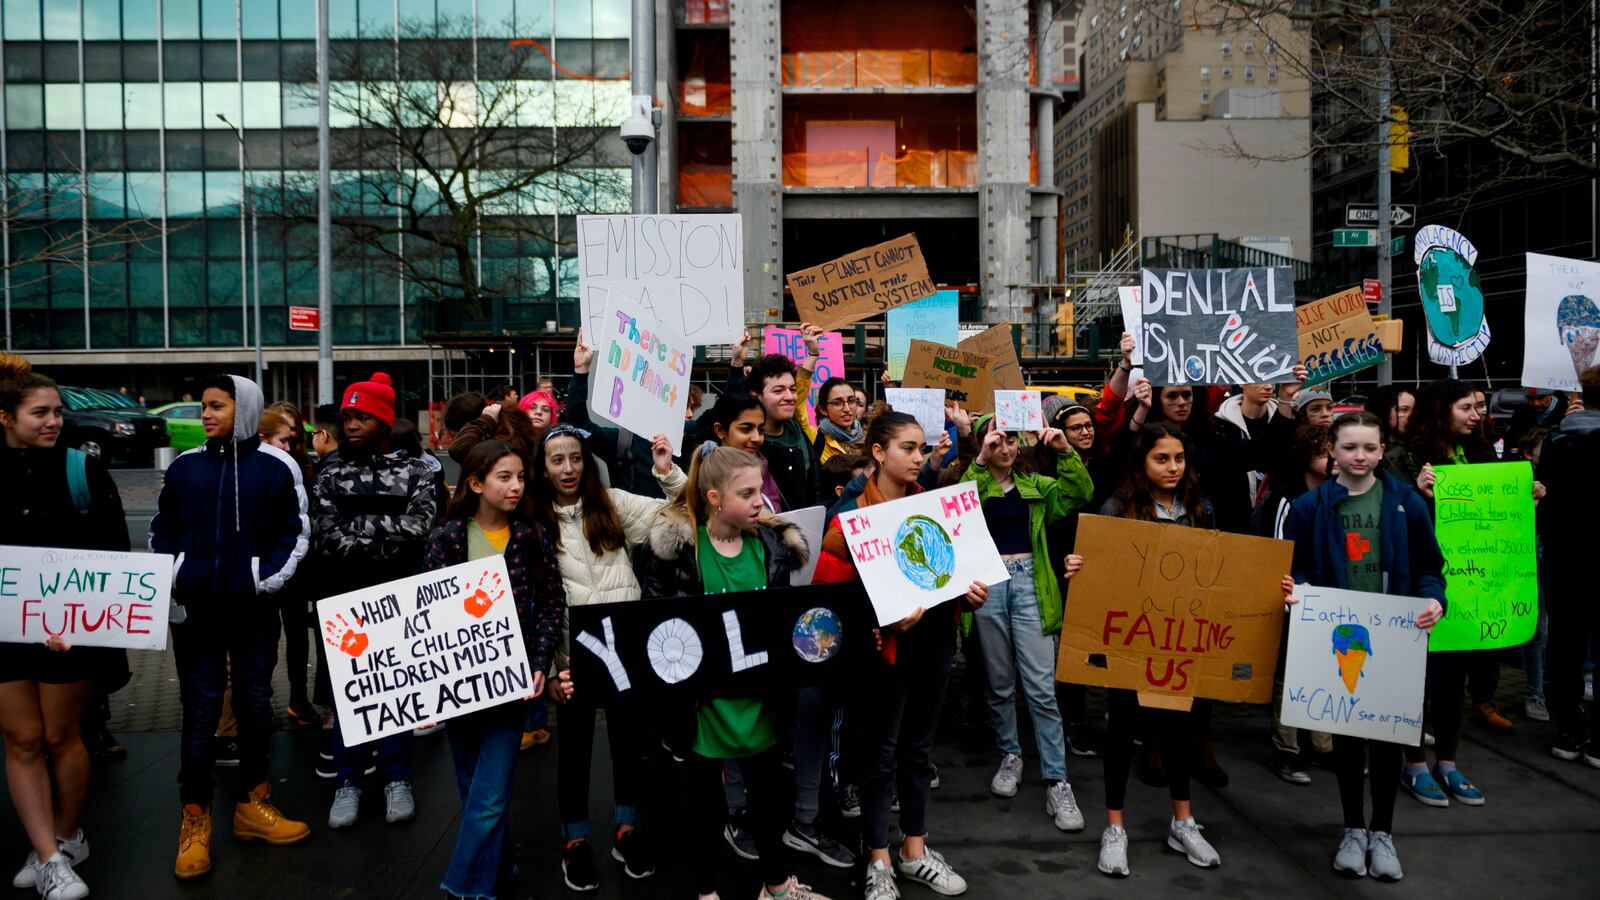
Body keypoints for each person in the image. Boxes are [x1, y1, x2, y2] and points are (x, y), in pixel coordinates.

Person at [1065, 422, 1293, 878]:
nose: (1172, 468)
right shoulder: (1117, 507)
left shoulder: (1201, 508)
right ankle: (1115, 827)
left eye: (1178, 459)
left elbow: (1223, 571)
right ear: (1141, 461)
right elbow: (1100, 567)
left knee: (1178, 729)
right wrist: (1077, 566)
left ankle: (1183, 821)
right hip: (1130, 641)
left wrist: (1274, 584)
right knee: (1122, 726)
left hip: (1180, 645)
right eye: (1161, 459)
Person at [622, 444, 825, 900]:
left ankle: (776, 887)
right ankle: (706, 892)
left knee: (769, 803)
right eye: (747, 493)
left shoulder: (772, 545)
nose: (760, 502)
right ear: (715, 498)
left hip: (761, 703)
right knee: (700, 808)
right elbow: (655, 626)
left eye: (760, 491)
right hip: (702, 708)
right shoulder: (679, 552)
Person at [813, 410, 988, 900]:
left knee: (917, 749)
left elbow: (950, 571)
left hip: (933, 644)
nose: (920, 457)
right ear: (878, 453)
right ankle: (878, 858)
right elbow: (829, 596)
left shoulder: (934, 507)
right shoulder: (850, 517)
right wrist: (879, 622)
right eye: (907, 448)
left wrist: (970, 593)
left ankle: (914, 849)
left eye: (921, 448)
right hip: (885, 651)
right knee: (881, 752)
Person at [149, 373, 311, 879]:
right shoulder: (184, 468)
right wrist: (176, 573)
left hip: (252, 609)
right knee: (200, 713)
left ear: (242, 407)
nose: (206, 415)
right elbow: (162, 529)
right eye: (203, 407)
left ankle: (251, 805)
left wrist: (264, 580)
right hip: (197, 611)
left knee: (254, 705)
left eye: (216, 405)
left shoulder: (276, 467)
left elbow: (296, 531)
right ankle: (194, 820)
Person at [1283, 411, 1447, 881]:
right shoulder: (1310, 507)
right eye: (1350, 447)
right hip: (1340, 640)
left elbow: (1430, 569)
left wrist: (1434, 601)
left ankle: (1384, 833)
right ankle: (1353, 829)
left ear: (1381, 450)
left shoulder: (1406, 503)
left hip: (1395, 639)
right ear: (1331, 450)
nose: (1360, 457)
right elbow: (1297, 568)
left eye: (1370, 448)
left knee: (1389, 738)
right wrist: (1298, 590)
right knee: (1349, 740)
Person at [528, 424, 682, 891]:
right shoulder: (532, 517)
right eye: (557, 460)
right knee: (572, 752)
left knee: (626, 747)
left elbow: (681, 515)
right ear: (544, 466)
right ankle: (575, 842)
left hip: (625, 648)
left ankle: (627, 831)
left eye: (576, 458)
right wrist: (552, 671)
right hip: (570, 658)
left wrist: (667, 472)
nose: (568, 468)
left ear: (587, 462)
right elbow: (530, 600)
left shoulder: (611, 503)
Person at [1, 354, 131, 900]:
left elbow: (115, 555)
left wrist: (81, 618)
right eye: (40, 412)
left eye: (58, 411)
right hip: (5, 631)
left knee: (60, 737)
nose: (54, 421)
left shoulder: (83, 469)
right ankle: (50, 856)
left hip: (70, 632)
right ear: (5, 417)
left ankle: (64, 835)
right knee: (22, 739)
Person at [423, 440, 565, 900]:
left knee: (488, 799)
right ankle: (499, 870)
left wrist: (540, 662)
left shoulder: (532, 534)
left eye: (521, 476)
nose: (517, 486)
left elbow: (549, 603)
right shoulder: (447, 537)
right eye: (505, 477)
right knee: (474, 795)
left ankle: (465, 890)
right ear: (476, 483)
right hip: (459, 687)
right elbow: (425, 617)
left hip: (511, 684)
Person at [311, 372, 439, 832]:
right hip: (344, 597)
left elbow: (420, 528)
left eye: (362, 415)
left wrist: (358, 528)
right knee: (351, 694)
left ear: (384, 420)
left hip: (399, 598)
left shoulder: (418, 471)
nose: (352, 424)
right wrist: (386, 529)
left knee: (395, 691)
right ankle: (348, 781)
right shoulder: (327, 471)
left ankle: (396, 779)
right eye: (347, 416)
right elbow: (326, 536)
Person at [961, 415, 1092, 829]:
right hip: (990, 587)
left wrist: (1064, 450)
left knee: (1041, 686)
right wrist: (980, 460)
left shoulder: (1039, 487)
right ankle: (1011, 755)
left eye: (1011, 439)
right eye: (995, 439)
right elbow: (959, 504)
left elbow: (1081, 492)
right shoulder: (975, 485)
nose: (1005, 446)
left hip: (1032, 584)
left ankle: (1058, 779)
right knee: (1000, 682)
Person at [1384, 379, 1501, 805]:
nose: (1476, 415)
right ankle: (1414, 765)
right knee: (1417, 677)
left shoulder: (1481, 453)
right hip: (1422, 582)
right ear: (1440, 410)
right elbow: (1388, 514)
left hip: (1470, 583)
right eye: (1466, 408)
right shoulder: (1404, 457)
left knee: (1455, 678)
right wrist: (1416, 492)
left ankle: (1448, 763)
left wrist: (1529, 496)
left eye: (1477, 407)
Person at [1257, 424, 1336, 784]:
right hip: (1295, 600)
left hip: (1332, 599)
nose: (1333, 457)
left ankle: (1323, 744)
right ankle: (1286, 747)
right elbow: (1278, 554)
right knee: (1289, 673)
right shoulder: (1287, 499)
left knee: (1327, 669)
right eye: (1324, 451)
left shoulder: (1341, 494)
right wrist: (1293, 600)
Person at [1539, 365, 1600, 767]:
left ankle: (1567, 727)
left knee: (1565, 642)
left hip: (1564, 557)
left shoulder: (1556, 440)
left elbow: (1543, 499)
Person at [258, 408, 320, 728]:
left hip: (297, 565)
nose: (290, 442)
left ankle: (299, 698)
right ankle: (262, 699)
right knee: (267, 637)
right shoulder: (261, 466)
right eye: (285, 436)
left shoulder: (304, 465)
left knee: (297, 636)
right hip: (268, 564)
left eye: (293, 435)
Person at [746, 348, 821, 511]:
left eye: (792, 389)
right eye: (778, 391)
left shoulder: (801, 436)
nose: (790, 397)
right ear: (756, 396)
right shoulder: (747, 446)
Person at [1514, 426, 1551, 723]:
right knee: (1537, 630)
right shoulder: (1518, 478)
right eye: (1543, 446)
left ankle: (1545, 688)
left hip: (1551, 560)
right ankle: (1534, 692)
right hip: (1531, 562)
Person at [697, 392, 785, 512]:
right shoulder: (706, 477)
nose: (756, 438)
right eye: (746, 429)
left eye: (761, 430)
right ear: (720, 430)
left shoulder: (771, 466)